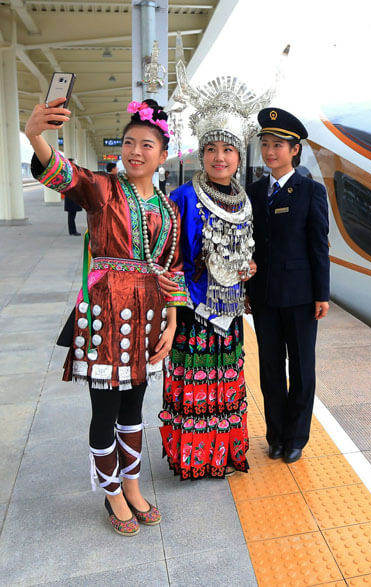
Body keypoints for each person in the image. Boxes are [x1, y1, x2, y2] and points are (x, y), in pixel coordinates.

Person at [25, 97, 187, 536]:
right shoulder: (103, 190)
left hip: (149, 318)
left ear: (162, 154)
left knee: (135, 406)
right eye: (129, 142)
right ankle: (111, 491)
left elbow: (171, 268)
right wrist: (36, 135)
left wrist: (173, 323)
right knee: (105, 408)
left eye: (146, 144)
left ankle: (132, 484)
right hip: (107, 314)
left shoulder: (170, 210)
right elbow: (66, 174)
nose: (135, 151)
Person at [157, 69, 262, 479]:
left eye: (228, 150)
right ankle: (193, 457)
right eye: (212, 149)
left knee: (226, 380)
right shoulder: (183, 196)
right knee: (195, 387)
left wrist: (250, 267)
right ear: (201, 154)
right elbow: (170, 257)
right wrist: (176, 309)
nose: (220, 157)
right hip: (193, 313)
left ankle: (223, 453)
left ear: (239, 156)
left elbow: (248, 250)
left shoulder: (245, 200)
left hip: (231, 312)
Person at [245, 107, 329, 464]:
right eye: (265, 144)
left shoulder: (310, 191)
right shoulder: (252, 191)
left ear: (295, 150)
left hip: (300, 297)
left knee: (302, 369)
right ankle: (276, 435)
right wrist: (247, 291)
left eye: (278, 145)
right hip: (264, 297)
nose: (270, 151)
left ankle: (296, 437)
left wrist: (321, 293)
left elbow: (319, 245)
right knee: (270, 370)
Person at [64, 157, 82, 235]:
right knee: (71, 215)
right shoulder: (69, 173)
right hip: (71, 196)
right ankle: (72, 231)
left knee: (71, 215)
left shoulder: (68, 172)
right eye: (73, 163)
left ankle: (72, 231)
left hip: (71, 196)